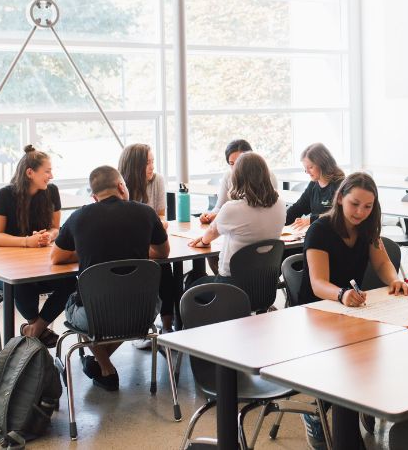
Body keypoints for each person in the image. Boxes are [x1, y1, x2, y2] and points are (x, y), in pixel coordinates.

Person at [298, 172, 408, 450]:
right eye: (355, 204)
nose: (361, 212)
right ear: (340, 199)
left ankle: (351, 411)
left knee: (378, 352)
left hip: (349, 310)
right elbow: (317, 283)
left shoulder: (367, 228)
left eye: (368, 206)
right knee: (346, 368)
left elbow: (382, 261)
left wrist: (395, 279)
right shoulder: (320, 230)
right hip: (315, 312)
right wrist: (341, 293)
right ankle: (327, 416)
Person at [51, 165, 169, 391]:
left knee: (86, 304)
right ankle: (100, 365)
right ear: (121, 186)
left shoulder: (79, 217)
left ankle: (104, 367)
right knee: (124, 311)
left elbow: (57, 257)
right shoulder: (146, 212)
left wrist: (89, 251)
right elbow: (163, 252)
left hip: (94, 317)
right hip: (143, 313)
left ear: (94, 197)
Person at [0, 145, 76, 348]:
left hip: (40, 264)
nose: (51, 176)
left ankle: (34, 329)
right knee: (20, 281)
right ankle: (39, 328)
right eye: (47, 171)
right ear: (30, 172)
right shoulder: (4, 196)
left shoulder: (51, 192)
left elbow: (56, 228)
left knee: (72, 280)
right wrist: (27, 241)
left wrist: (48, 235)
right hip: (4, 269)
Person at [188, 152, 285, 286]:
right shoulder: (280, 204)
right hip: (264, 284)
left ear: (238, 177)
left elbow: (211, 232)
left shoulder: (232, 208)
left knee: (192, 285)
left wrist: (204, 242)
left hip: (232, 285)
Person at [118, 143, 175, 338]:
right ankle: (140, 326)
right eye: (147, 163)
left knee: (165, 269)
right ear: (134, 165)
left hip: (151, 242)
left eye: (153, 162)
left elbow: (160, 216)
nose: (152, 167)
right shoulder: (120, 186)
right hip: (127, 247)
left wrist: (158, 225)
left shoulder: (157, 180)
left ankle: (167, 326)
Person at [199, 139, 279, 224]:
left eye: (238, 163)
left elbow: (264, 210)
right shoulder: (228, 176)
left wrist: (223, 216)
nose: (235, 168)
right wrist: (209, 216)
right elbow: (219, 207)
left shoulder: (267, 176)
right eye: (231, 163)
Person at [285, 142, 345, 230]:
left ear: (323, 164)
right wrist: (279, 222)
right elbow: (298, 207)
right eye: (305, 168)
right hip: (316, 232)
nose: (307, 172)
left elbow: (339, 215)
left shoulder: (340, 185)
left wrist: (311, 220)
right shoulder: (313, 184)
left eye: (310, 167)